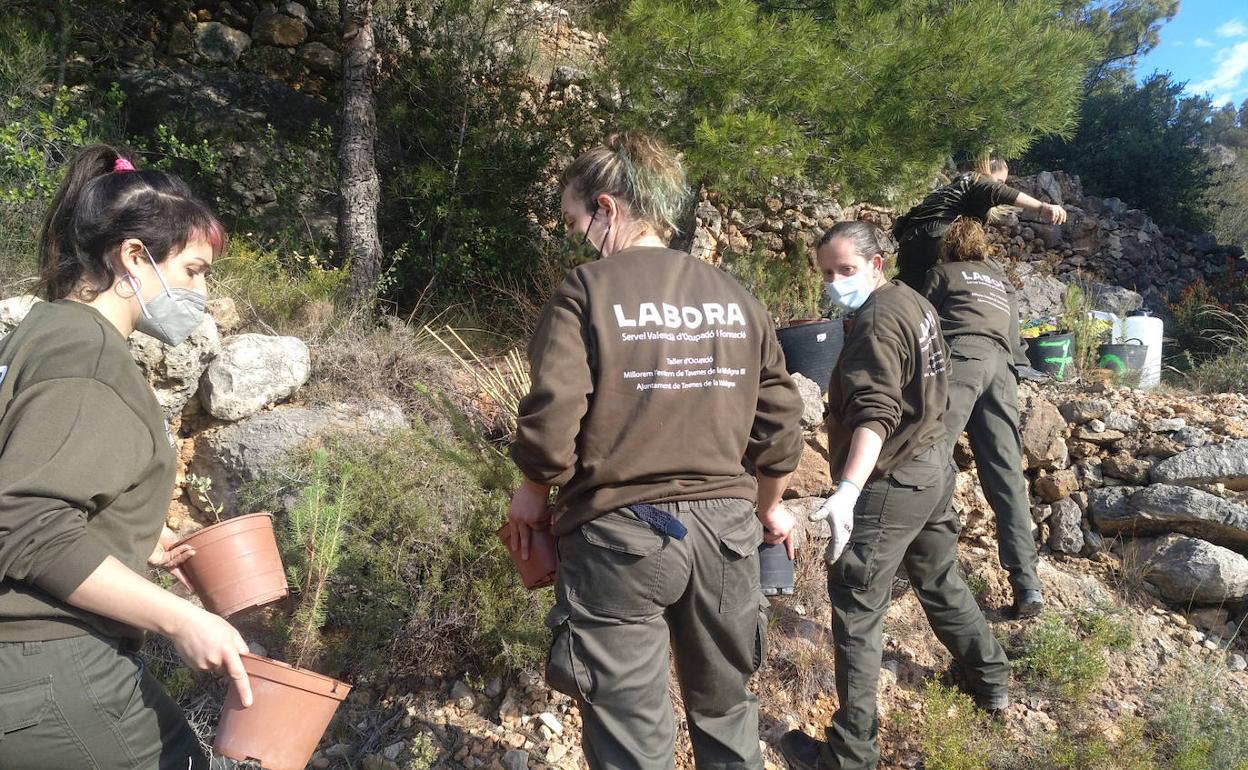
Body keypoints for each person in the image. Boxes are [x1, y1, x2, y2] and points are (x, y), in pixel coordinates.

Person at [507, 131, 805, 770]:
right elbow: (780, 425)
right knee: (727, 713)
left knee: (632, 741)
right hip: (726, 533)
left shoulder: (585, 291)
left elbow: (556, 411)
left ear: (607, 209)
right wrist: (768, 506)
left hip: (619, 538)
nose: (574, 237)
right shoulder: (736, 297)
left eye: (574, 220)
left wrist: (531, 492)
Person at [0, 145, 253, 770]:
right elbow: (26, 524)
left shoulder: (44, 332)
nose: (201, 291)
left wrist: (135, 534)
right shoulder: (88, 358)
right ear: (134, 257)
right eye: (194, 269)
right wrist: (180, 621)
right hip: (50, 662)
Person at [779, 221, 1010, 770]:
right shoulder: (913, 300)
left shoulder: (876, 324)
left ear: (876, 262)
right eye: (828, 273)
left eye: (846, 270)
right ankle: (990, 679)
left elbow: (875, 413)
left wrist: (849, 488)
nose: (836, 284)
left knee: (857, 604)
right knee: (938, 576)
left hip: (891, 478)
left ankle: (850, 753)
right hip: (932, 465)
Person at [922, 218, 1043, 618]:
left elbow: (918, 326)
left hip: (962, 357)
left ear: (949, 247)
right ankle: (1027, 586)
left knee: (930, 451)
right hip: (1003, 372)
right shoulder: (1002, 286)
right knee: (1006, 475)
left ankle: (921, 556)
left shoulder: (941, 274)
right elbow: (1015, 343)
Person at [892, 155, 1067, 292]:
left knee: (908, 298)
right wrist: (1042, 207)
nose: (1002, 186)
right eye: (1000, 181)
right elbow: (997, 191)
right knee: (1000, 283)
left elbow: (901, 224)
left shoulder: (947, 189)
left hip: (909, 244)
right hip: (942, 236)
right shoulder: (979, 180)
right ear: (988, 172)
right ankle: (1010, 339)